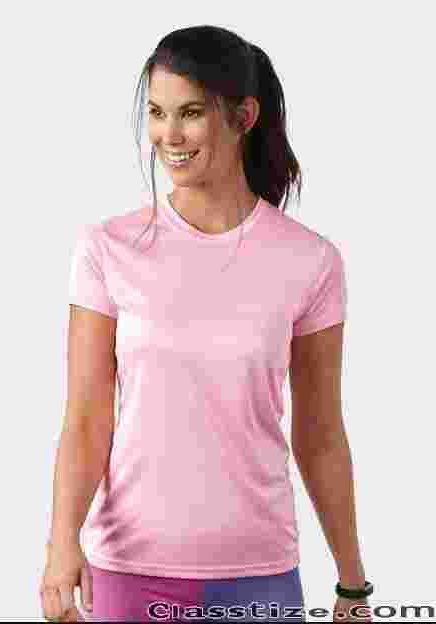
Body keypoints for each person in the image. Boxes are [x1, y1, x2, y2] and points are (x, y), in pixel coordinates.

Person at [39, 25, 373, 623]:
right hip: (128, 573)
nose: (169, 135)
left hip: (258, 577)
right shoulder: (107, 248)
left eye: (190, 113)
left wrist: (352, 584)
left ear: (244, 116)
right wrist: (61, 545)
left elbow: (321, 432)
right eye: (157, 113)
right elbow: (87, 417)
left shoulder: (310, 260)